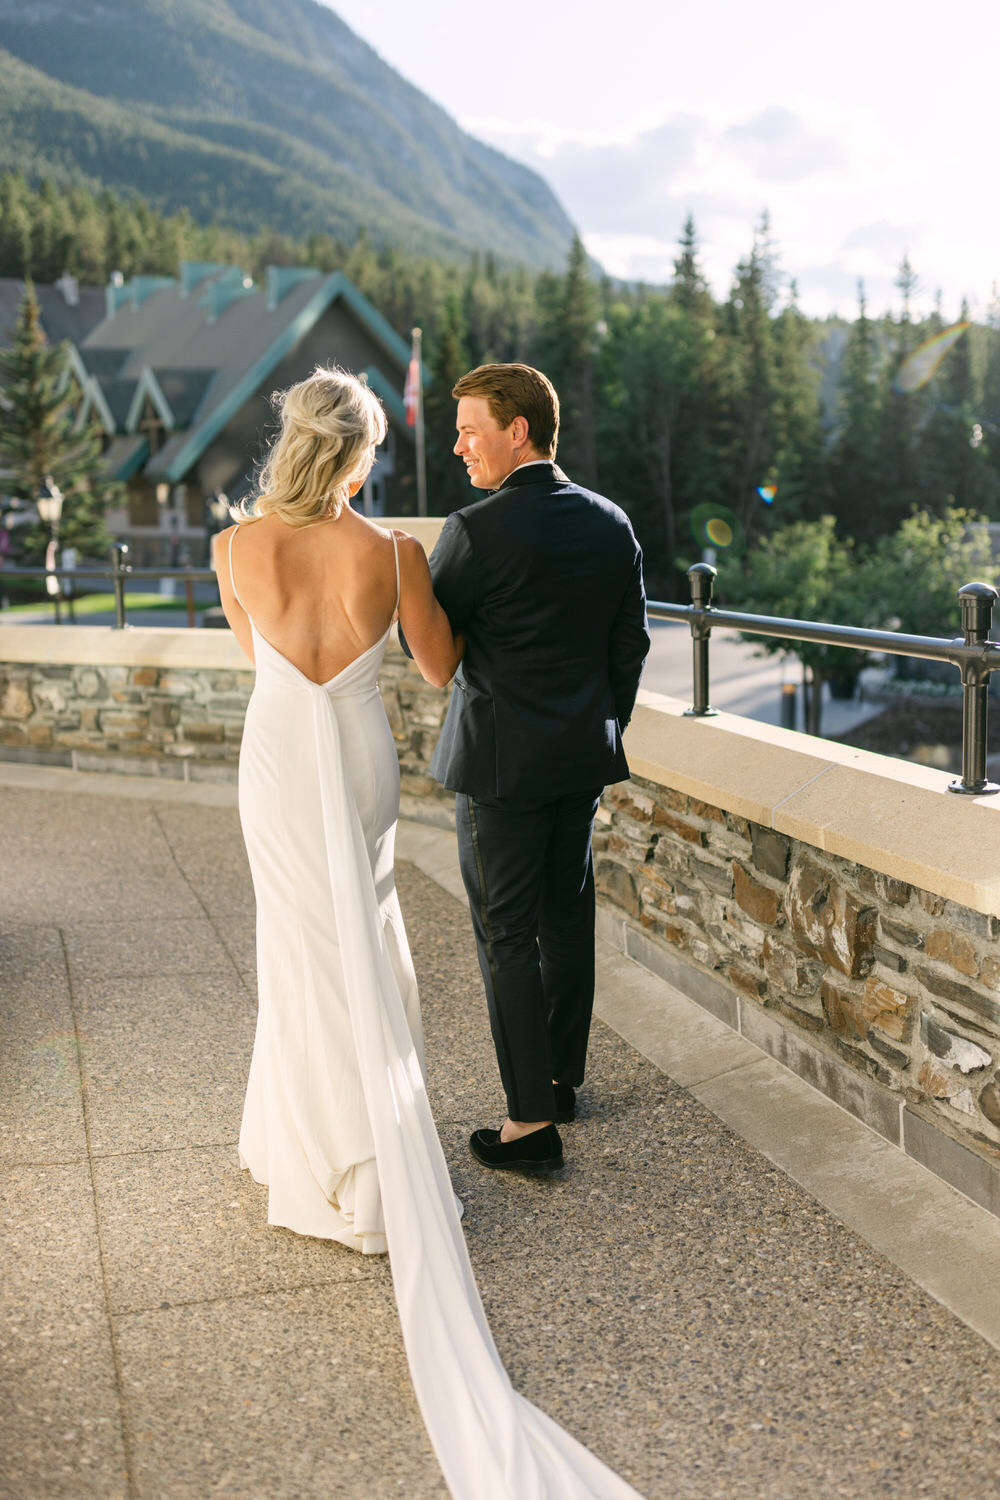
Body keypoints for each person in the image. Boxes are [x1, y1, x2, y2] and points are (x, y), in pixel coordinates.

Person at [215, 366, 644, 1500]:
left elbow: (254, 662)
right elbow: (442, 665)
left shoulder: (231, 552)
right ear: (359, 454)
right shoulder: (397, 553)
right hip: (360, 759)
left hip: (275, 762)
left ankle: (318, 1159)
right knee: (376, 928)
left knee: (296, 947)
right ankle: (424, 1136)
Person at [403, 363, 650, 1173]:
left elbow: (437, 656)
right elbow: (629, 651)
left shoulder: (475, 530)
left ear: (519, 431)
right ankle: (558, 1083)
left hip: (501, 770)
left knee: (506, 934)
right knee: (565, 917)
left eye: (472, 429)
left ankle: (528, 1127)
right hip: (580, 757)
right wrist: (592, 724)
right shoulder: (613, 523)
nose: (459, 444)